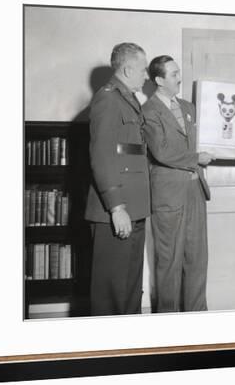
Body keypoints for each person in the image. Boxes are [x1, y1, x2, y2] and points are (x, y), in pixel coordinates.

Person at [142, 55, 214, 313]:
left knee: (197, 259)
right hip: (168, 196)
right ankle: (168, 322)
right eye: (173, 74)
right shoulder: (148, 111)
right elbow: (161, 152)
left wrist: (231, 131)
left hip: (195, 190)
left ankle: (197, 318)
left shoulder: (188, 107)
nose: (179, 78)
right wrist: (196, 158)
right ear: (159, 80)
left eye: (178, 72)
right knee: (169, 261)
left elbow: (209, 135)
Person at [84, 42, 151, 316]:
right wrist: (117, 207)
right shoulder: (108, 99)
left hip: (132, 208)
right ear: (128, 68)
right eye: (143, 70)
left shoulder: (128, 99)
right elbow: (102, 156)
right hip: (117, 210)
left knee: (129, 290)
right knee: (111, 294)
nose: (146, 76)